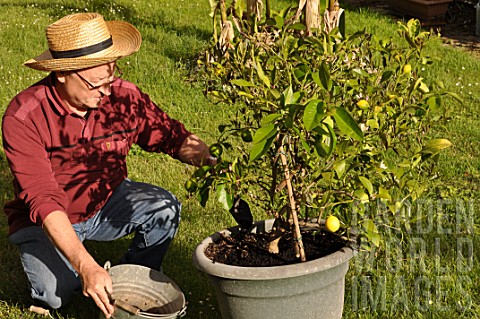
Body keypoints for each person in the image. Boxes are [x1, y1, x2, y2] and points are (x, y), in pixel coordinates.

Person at [1, 13, 216, 318]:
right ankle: (65, 279)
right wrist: (86, 266)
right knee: (57, 295)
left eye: (111, 77)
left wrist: (215, 164)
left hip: (105, 203)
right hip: (48, 221)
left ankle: (131, 278)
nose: (106, 91)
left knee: (164, 207)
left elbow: (169, 135)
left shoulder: (121, 96)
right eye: (96, 83)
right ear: (63, 74)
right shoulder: (24, 116)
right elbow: (43, 197)